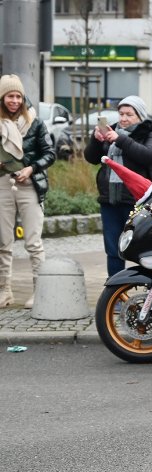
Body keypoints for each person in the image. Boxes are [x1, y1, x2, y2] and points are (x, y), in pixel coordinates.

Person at [84, 95, 152, 276]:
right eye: (121, 114)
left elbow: (150, 156)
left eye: (129, 114)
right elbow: (91, 158)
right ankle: (115, 293)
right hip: (109, 200)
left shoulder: (149, 132)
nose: (124, 119)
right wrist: (96, 140)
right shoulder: (111, 131)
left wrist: (121, 140)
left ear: (140, 116)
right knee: (113, 250)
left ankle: (148, 291)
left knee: (139, 249)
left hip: (136, 202)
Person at [0, 74, 55, 308]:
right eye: (10, 96)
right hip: (3, 184)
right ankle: (5, 291)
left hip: (29, 186)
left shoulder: (35, 122)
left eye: (18, 96)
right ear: (2, 98)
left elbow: (50, 153)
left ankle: (39, 291)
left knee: (33, 242)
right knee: (3, 243)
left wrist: (31, 168)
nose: (14, 100)